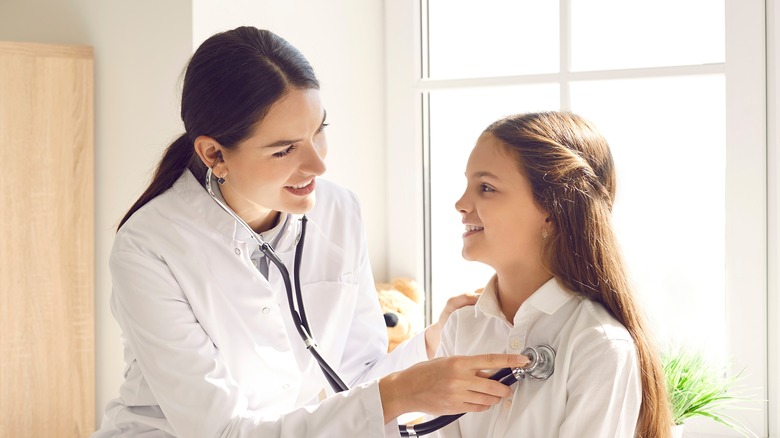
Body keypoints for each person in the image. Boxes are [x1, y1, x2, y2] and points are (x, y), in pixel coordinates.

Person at [93, 26, 528, 438]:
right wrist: (399, 393)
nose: (319, 165)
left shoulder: (338, 210)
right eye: (284, 149)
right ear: (214, 154)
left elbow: (354, 380)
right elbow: (220, 432)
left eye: (319, 130)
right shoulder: (149, 247)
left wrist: (432, 341)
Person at [435, 111, 674, 437]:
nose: (461, 204)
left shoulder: (598, 345)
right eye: (468, 185)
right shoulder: (462, 328)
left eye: (486, 187)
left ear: (552, 209)